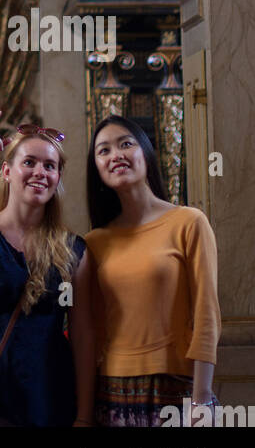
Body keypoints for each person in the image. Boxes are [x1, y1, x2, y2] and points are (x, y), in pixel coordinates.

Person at [0, 111, 95, 426]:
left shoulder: (74, 249)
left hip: (48, 396)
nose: (40, 171)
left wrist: (84, 415)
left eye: (50, 166)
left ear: (58, 178)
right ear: (7, 171)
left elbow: (83, 335)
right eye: (29, 162)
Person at [85, 115, 220, 428]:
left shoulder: (189, 222)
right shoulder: (93, 242)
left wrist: (201, 398)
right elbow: (92, 330)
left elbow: (207, 314)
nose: (115, 154)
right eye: (103, 151)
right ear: (97, 169)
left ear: (145, 153)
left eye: (125, 144)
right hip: (110, 390)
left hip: (178, 387)